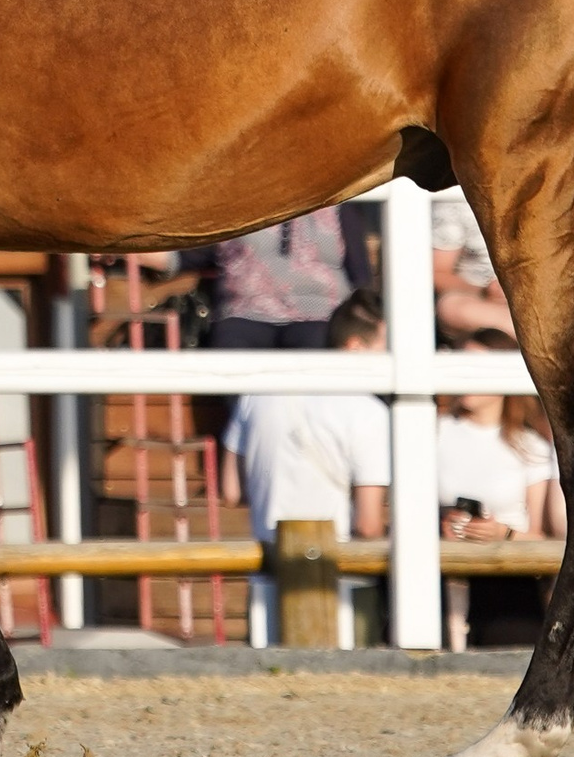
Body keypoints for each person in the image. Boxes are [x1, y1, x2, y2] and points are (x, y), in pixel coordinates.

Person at [222, 292, 391, 647]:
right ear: (356, 347)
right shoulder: (370, 412)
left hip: (267, 578)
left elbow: (231, 491)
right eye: (384, 347)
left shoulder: (256, 394)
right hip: (341, 583)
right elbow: (368, 524)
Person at [435, 329, 562, 650]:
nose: (465, 377)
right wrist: (440, 524)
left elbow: (543, 536)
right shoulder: (433, 432)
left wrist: (502, 535)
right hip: (441, 583)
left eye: (476, 367)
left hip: (510, 589)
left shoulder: (532, 446)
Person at [205, 208, 361, 349]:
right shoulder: (235, 199)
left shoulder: (337, 202)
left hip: (319, 313)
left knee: (317, 346)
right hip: (245, 310)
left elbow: (360, 273)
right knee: (230, 345)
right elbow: (194, 252)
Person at [429, 196, 517, 341]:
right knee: (450, 308)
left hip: (537, 301)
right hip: (478, 304)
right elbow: (437, 272)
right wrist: (484, 291)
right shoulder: (455, 199)